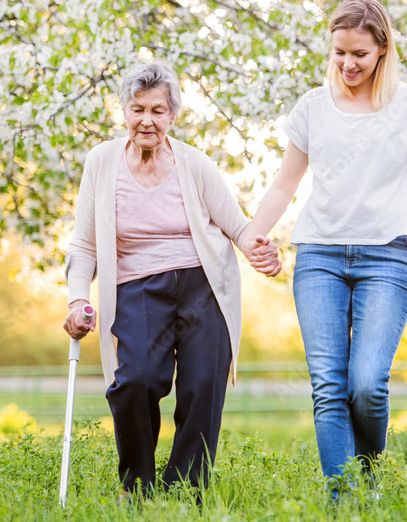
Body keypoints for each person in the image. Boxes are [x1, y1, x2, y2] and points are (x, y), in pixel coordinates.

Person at [242, 0, 407, 498]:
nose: (348, 64)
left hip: (388, 255)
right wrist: (249, 235)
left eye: (359, 54)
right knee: (328, 386)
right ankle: (342, 502)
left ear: (382, 50)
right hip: (319, 257)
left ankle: (368, 481)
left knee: (368, 382)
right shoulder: (312, 108)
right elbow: (284, 185)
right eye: (339, 53)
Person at [62, 61, 279, 500]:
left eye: (158, 111)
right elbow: (84, 246)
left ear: (172, 116)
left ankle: (185, 491)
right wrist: (75, 299)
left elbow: (237, 227)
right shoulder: (102, 163)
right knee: (136, 380)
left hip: (203, 286)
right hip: (138, 288)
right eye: (138, 108)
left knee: (203, 387)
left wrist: (259, 251)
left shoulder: (194, 164)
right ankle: (136, 487)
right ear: (124, 110)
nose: (147, 120)